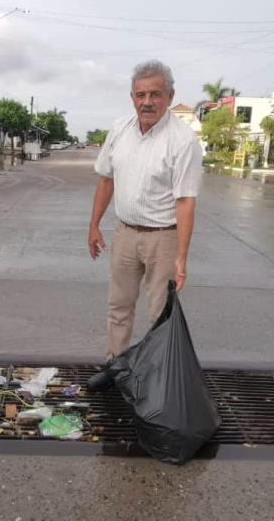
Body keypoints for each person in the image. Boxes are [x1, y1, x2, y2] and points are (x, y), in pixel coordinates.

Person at [87, 59, 203, 360]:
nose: (147, 102)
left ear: (170, 97)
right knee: (118, 306)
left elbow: (186, 201)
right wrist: (94, 226)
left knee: (159, 315)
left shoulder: (183, 140)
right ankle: (115, 365)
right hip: (124, 234)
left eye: (155, 94)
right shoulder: (119, 130)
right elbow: (106, 179)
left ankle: (156, 378)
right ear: (132, 98)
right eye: (141, 95)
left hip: (162, 238)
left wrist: (181, 257)